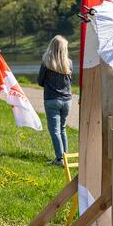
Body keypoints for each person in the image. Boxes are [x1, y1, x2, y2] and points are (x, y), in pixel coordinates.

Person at [37, 35, 73, 167]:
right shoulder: (69, 63)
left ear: (51, 46)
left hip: (52, 100)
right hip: (67, 100)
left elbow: (40, 81)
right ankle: (65, 157)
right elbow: (70, 81)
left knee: (55, 130)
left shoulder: (46, 62)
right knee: (62, 129)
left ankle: (59, 159)